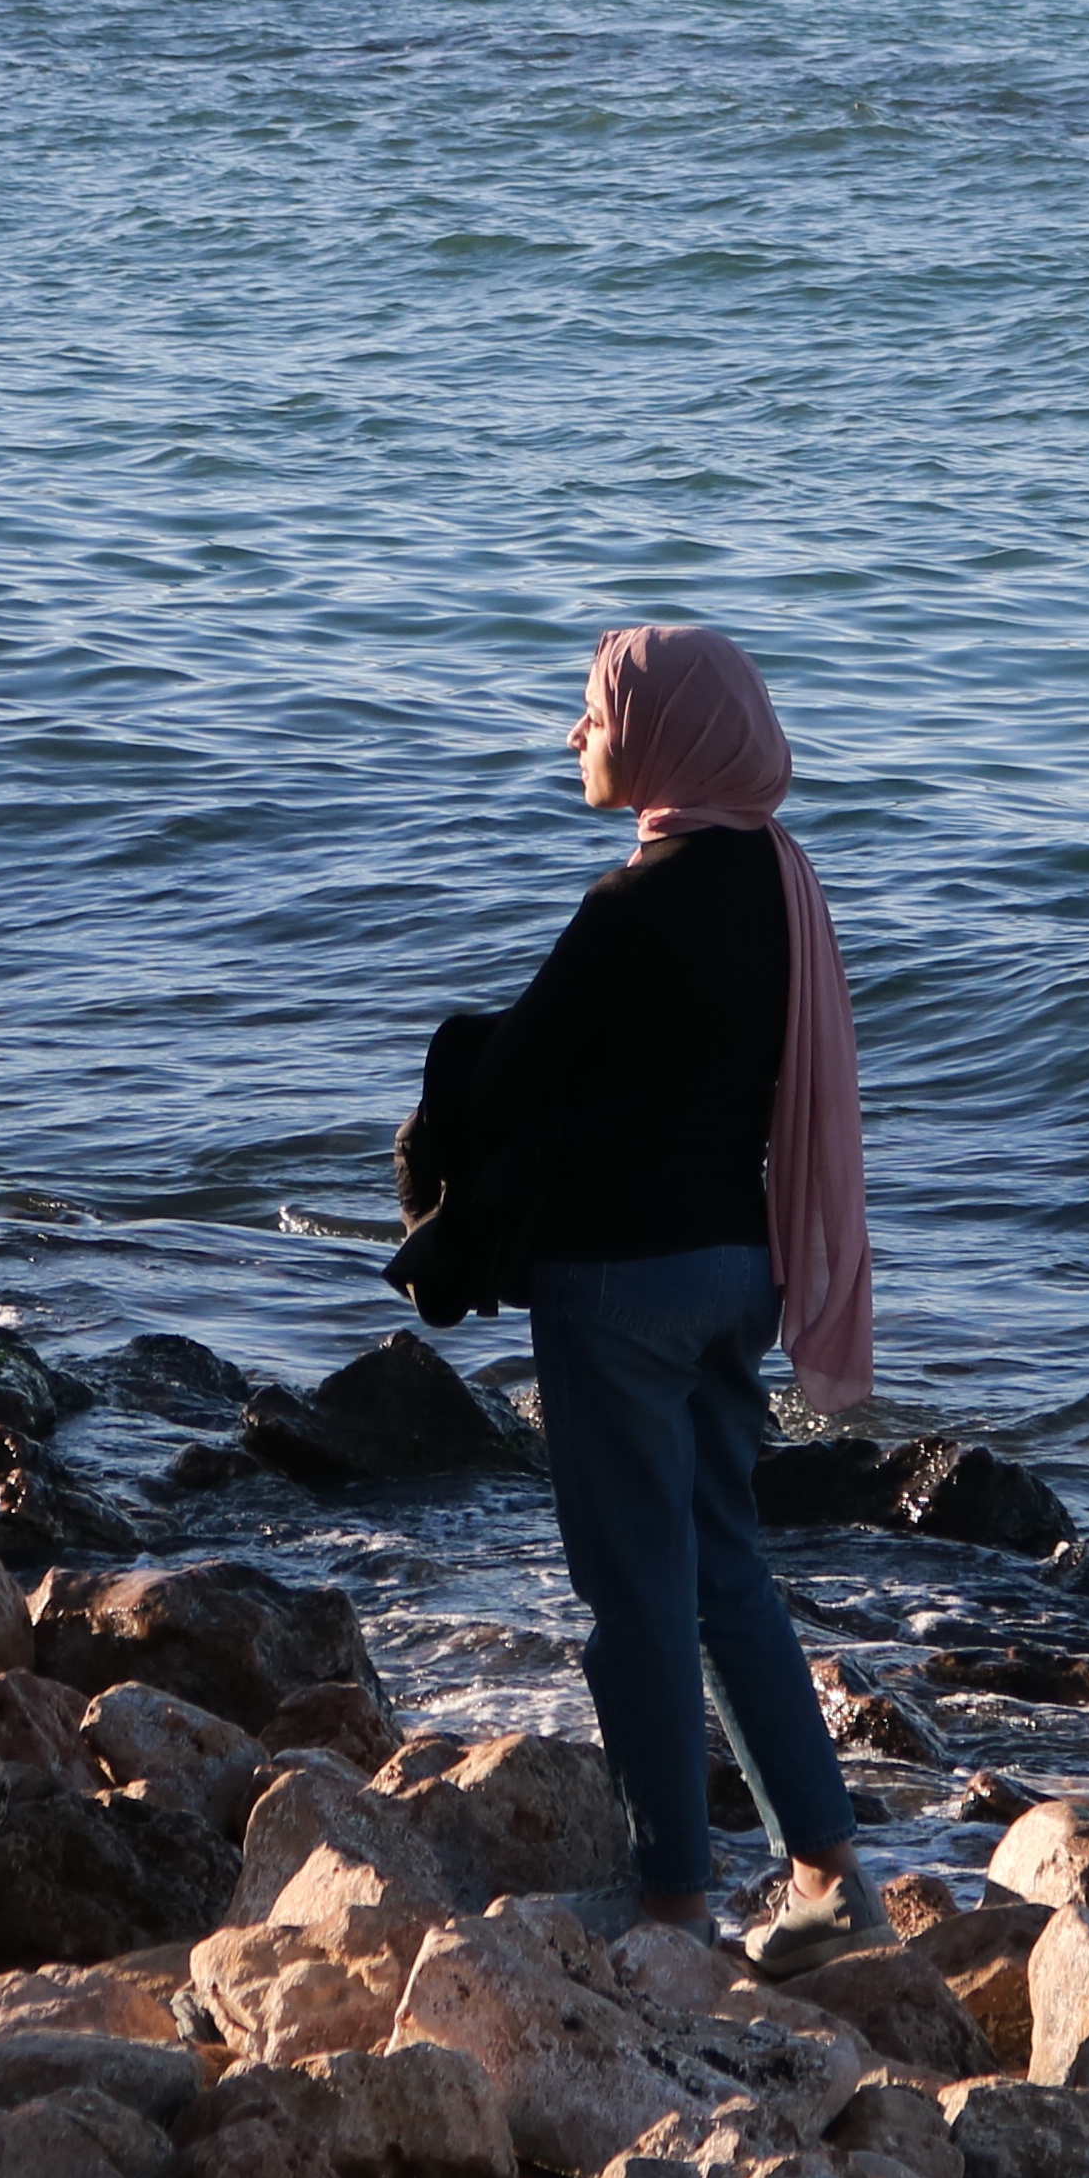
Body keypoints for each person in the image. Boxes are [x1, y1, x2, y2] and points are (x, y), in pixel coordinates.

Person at [390, 621, 878, 1958]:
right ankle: (831, 1870)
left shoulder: (632, 905)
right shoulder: (780, 885)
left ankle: (672, 1901)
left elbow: (505, 1085)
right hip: (736, 1271)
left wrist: (451, 1058)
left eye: (596, 716)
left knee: (633, 1597)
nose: (576, 736)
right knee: (728, 1570)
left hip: (617, 1284)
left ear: (666, 740)